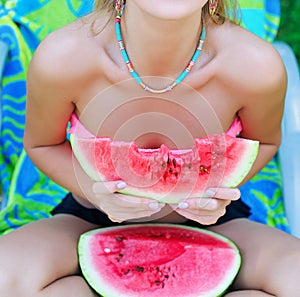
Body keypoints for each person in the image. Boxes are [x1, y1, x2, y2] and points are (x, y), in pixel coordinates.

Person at [0, 0, 299, 296]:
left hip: (213, 223)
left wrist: (217, 188)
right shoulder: (65, 56)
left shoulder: (255, 65)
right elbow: (42, 144)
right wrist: (95, 192)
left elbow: (265, 142)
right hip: (87, 218)